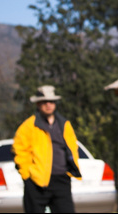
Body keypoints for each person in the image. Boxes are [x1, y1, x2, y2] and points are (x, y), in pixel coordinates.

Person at [12, 85, 82, 213]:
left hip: (61, 179)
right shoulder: (29, 126)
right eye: (44, 102)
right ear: (38, 104)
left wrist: (70, 169)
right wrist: (26, 175)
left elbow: (72, 147)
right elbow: (19, 150)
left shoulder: (64, 124)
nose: (48, 105)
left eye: (51, 101)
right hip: (36, 182)